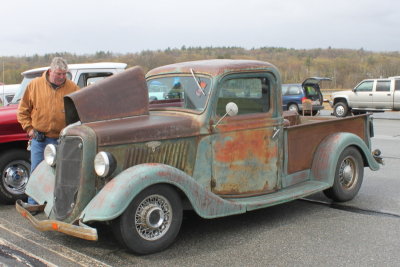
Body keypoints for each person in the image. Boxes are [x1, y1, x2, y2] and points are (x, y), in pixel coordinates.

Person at [17, 57, 80, 204]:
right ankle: (33, 207)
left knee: (63, 176)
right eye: (58, 74)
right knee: (37, 174)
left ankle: (59, 207)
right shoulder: (34, 85)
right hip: (40, 140)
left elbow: (81, 111)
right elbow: (22, 111)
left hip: (63, 140)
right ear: (50, 71)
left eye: (64, 74)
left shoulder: (73, 88)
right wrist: (30, 130)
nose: (62, 77)